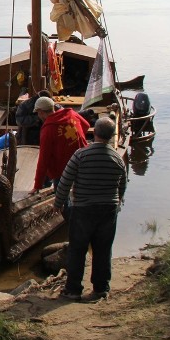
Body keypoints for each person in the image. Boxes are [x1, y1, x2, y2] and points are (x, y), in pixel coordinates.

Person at [53, 117, 127, 300]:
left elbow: (65, 181)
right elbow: (122, 186)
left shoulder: (80, 155)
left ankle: (73, 290)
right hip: (108, 210)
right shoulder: (118, 159)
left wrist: (58, 203)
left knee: (77, 250)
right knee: (103, 250)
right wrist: (118, 201)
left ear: (94, 133)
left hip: (83, 210)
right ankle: (101, 289)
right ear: (111, 137)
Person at [29, 96, 90, 194]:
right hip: (83, 162)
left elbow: (43, 160)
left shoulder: (47, 130)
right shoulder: (71, 114)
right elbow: (86, 125)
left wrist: (37, 185)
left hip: (63, 172)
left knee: (62, 202)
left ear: (40, 112)